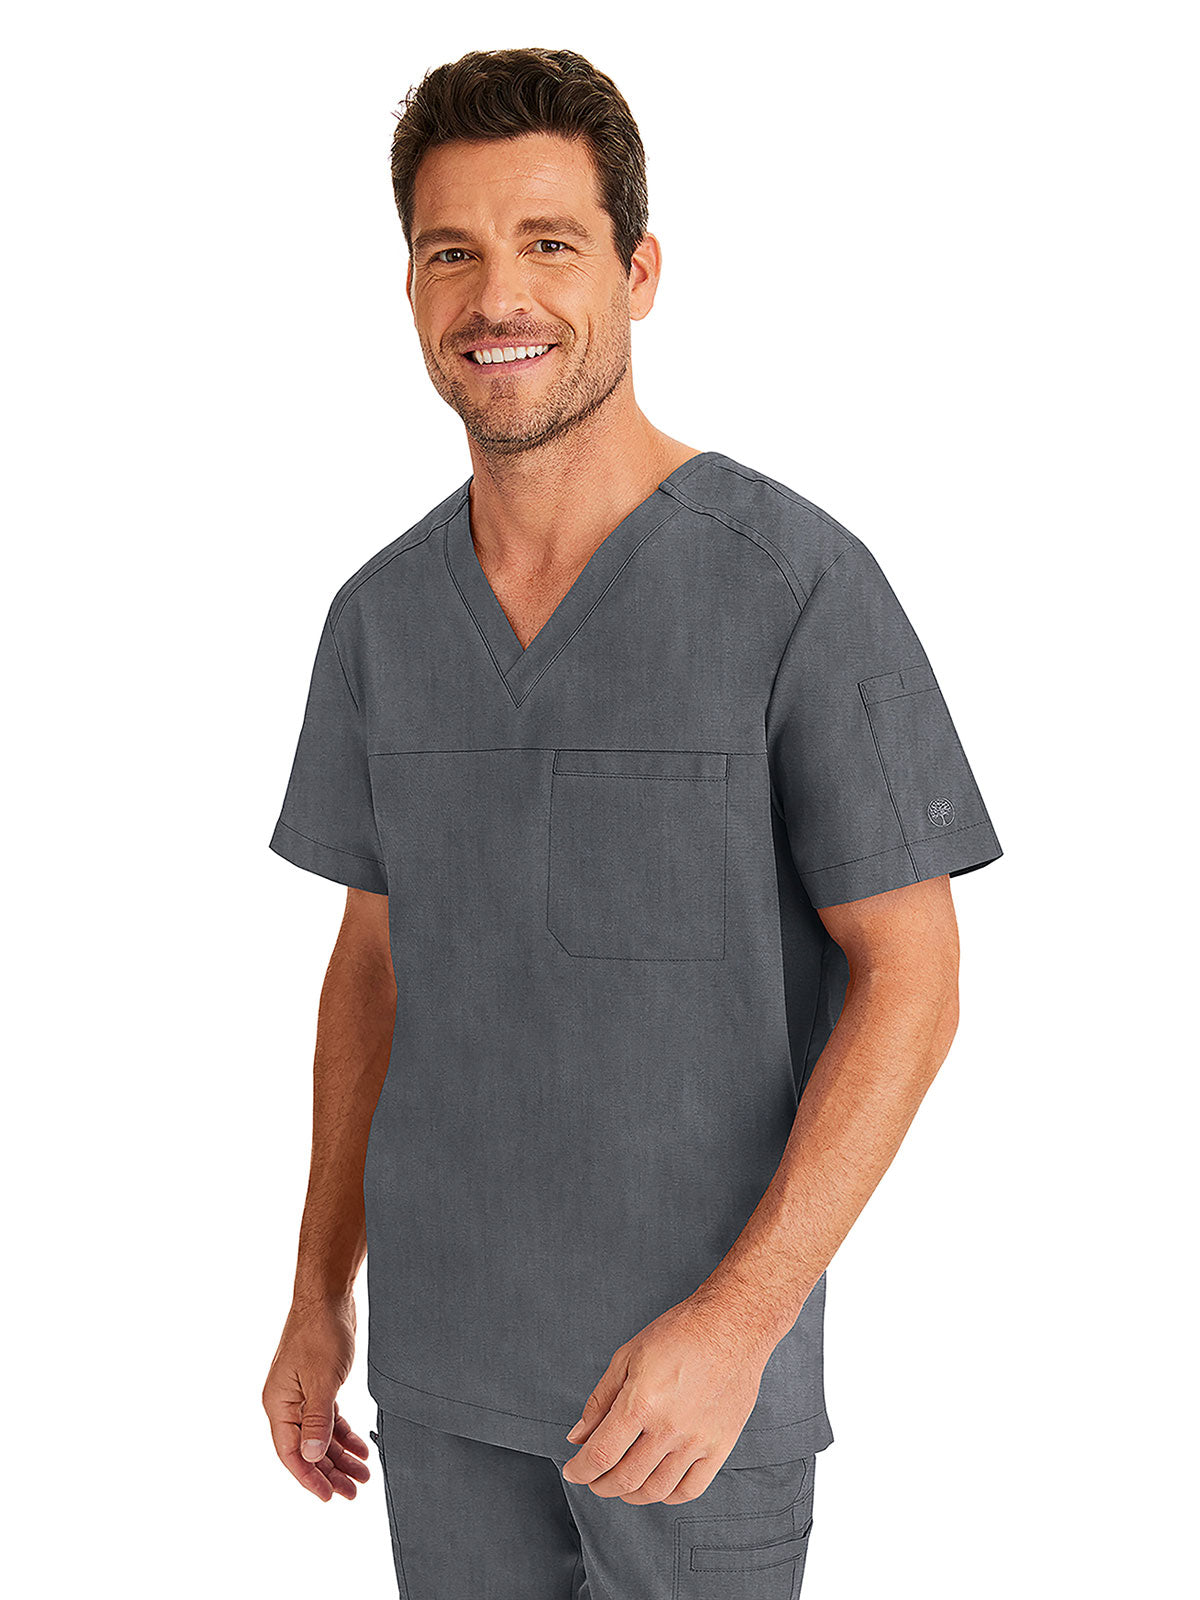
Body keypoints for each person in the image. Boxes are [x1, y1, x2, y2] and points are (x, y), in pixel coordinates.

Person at [261, 44, 1003, 1598]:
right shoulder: (381, 619)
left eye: (550, 243)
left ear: (639, 271)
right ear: (410, 287)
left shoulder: (795, 588)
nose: (497, 297)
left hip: (691, 1403)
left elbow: (915, 977)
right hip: (444, 1382)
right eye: (450, 252)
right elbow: (373, 968)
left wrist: (741, 1323)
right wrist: (320, 1293)